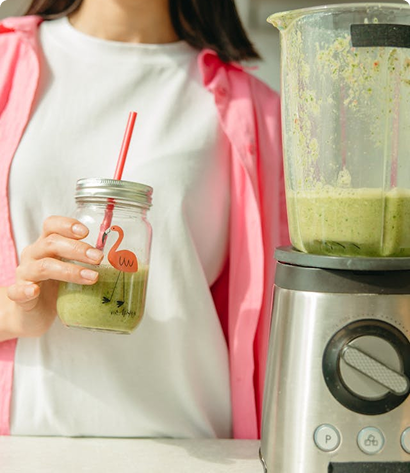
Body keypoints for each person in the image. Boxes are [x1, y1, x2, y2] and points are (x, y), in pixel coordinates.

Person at [0, 0, 288, 439]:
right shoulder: (5, 61)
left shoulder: (261, 114)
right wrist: (15, 311)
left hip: (186, 449)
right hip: (22, 451)